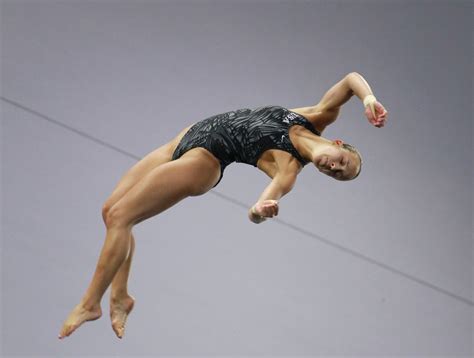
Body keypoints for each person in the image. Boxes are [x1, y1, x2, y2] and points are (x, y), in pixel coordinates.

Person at [58, 72, 388, 339]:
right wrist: (369, 99)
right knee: (111, 211)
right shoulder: (316, 115)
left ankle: (91, 303)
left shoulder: (287, 171)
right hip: (187, 137)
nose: (335, 168)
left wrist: (261, 212)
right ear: (338, 143)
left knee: (121, 217)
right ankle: (121, 296)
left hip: (203, 161)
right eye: (342, 162)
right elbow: (350, 80)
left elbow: (257, 208)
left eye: (338, 176)